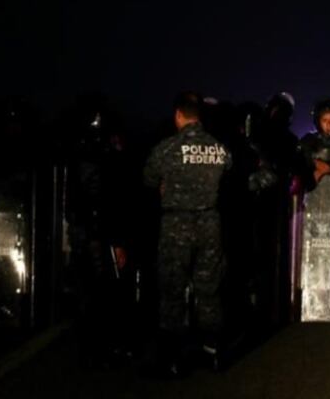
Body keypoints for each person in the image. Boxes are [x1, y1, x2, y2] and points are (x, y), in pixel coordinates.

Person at [143, 92, 232, 376]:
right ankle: (213, 352)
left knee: (172, 288)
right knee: (209, 288)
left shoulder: (167, 148)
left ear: (178, 116)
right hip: (209, 225)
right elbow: (229, 175)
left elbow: (148, 178)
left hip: (176, 226)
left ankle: (172, 357)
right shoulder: (218, 148)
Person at [65, 97, 133, 366]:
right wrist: (116, 239)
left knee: (88, 290)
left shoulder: (78, 151)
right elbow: (106, 198)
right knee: (102, 289)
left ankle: (91, 346)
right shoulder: (100, 156)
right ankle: (102, 346)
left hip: (85, 231)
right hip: (97, 232)